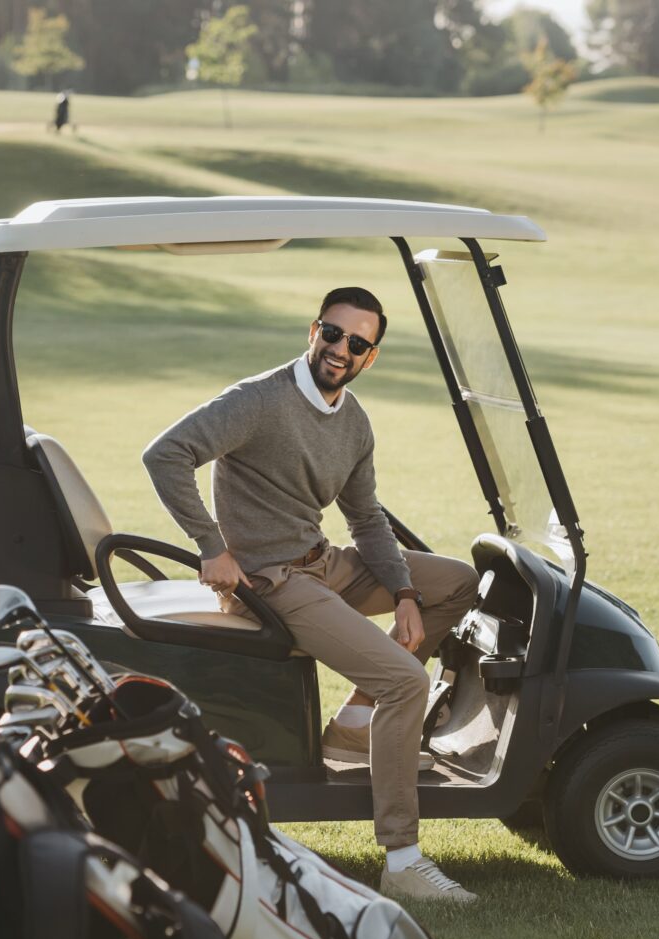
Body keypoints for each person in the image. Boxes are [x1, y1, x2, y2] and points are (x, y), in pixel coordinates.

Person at [142, 286, 482, 904]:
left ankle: (355, 724)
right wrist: (211, 545)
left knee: (455, 580)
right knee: (405, 681)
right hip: (269, 585)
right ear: (313, 331)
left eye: (356, 342)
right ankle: (402, 860)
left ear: (369, 357)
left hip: (323, 564)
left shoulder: (352, 422)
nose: (339, 348)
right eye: (332, 332)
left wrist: (405, 592)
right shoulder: (259, 400)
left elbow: (367, 519)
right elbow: (166, 454)